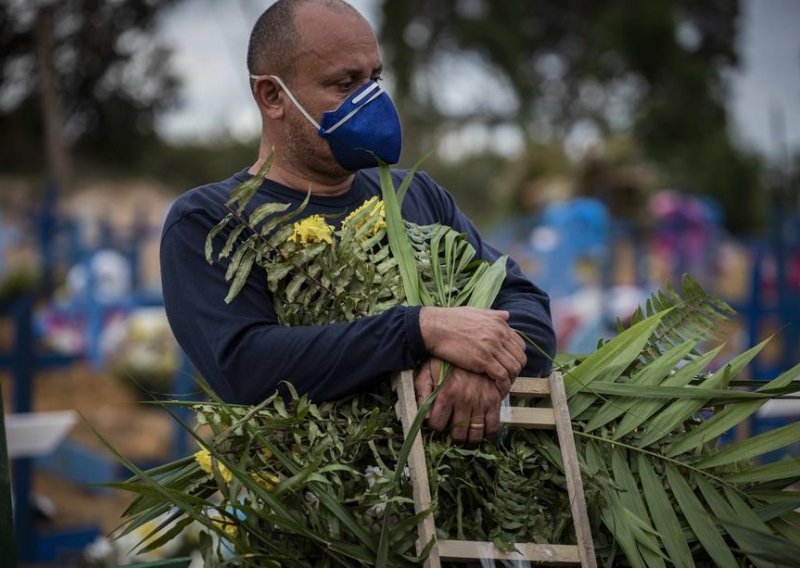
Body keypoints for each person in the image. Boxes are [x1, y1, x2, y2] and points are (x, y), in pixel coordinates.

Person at [160, 0, 556, 445]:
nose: (371, 100)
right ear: (272, 96)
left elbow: (527, 308)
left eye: (375, 79)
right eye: (345, 84)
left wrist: (474, 367)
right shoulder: (210, 220)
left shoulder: (417, 197)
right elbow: (245, 367)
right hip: (314, 508)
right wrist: (421, 329)